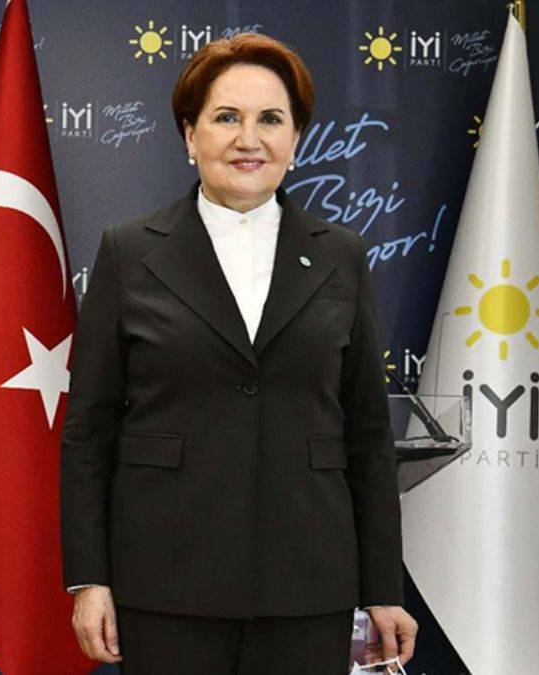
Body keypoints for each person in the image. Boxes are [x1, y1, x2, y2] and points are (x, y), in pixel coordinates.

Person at [61, 33, 417, 674]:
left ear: (296, 139)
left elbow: (368, 433)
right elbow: (89, 431)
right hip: (164, 585)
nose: (248, 139)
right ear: (189, 135)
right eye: (226, 117)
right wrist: (90, 580)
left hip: (309, 586)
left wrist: (382, 588)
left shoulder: (342, 255)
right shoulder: (128, 252)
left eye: (270, 120)